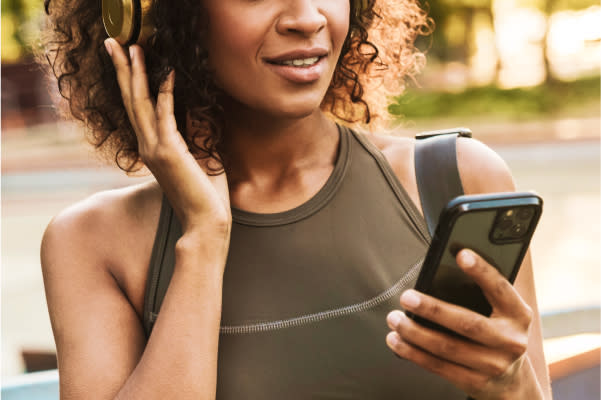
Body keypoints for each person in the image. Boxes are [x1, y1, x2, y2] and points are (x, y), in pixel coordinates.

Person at [38, 0, 552, 398]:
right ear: (155, 15)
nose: (308, 18)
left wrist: (510, 386)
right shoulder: (92, 246)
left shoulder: (458, 179)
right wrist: (203, 239)